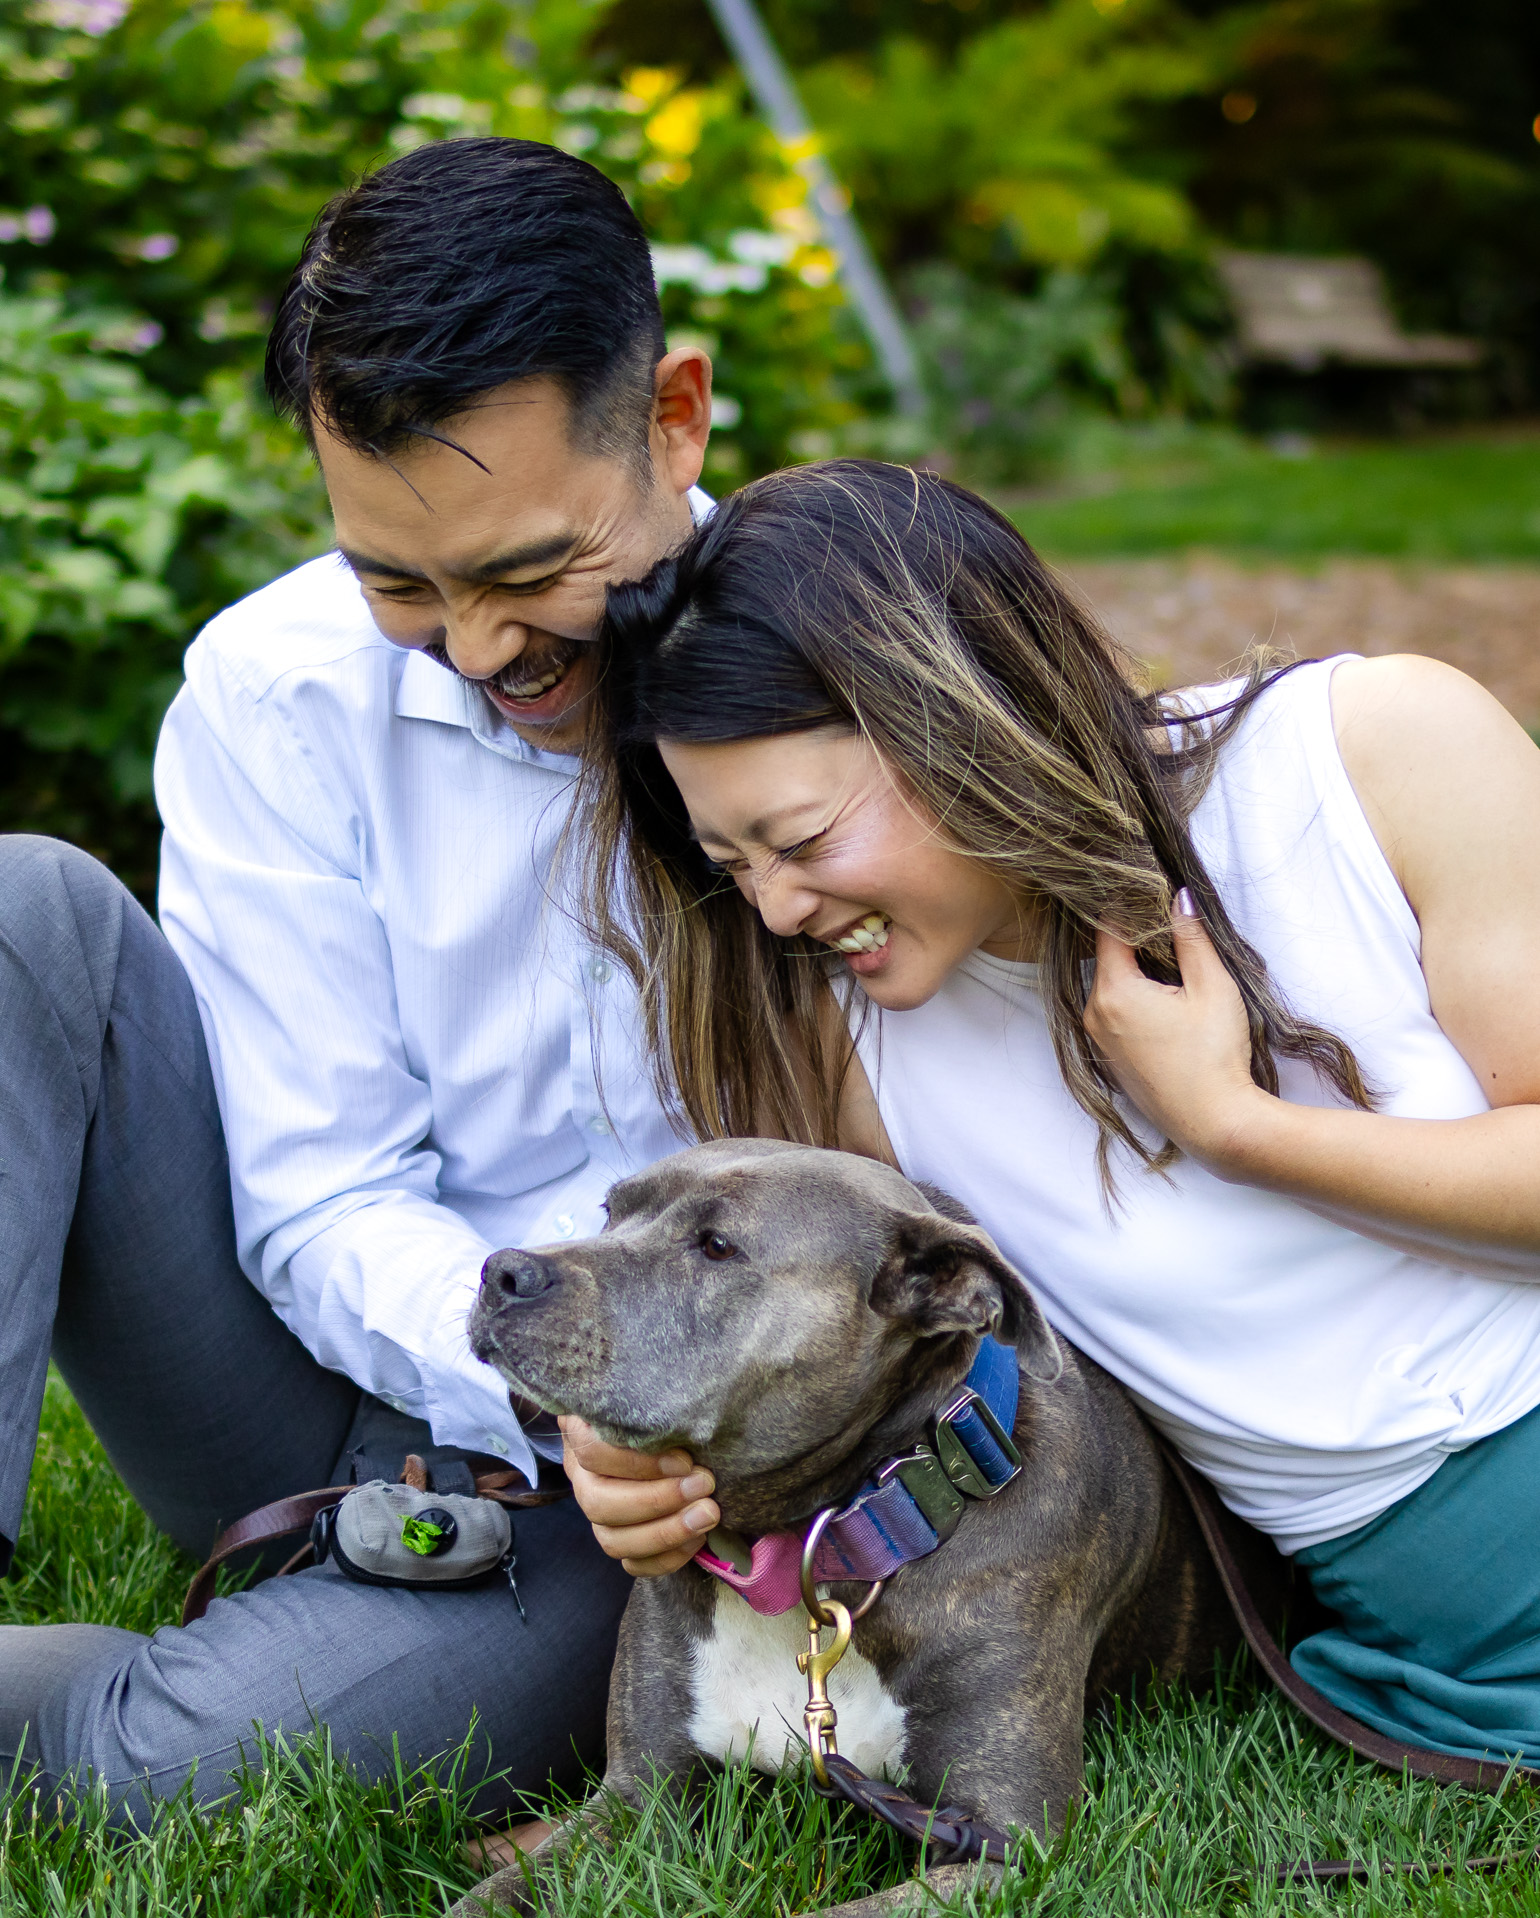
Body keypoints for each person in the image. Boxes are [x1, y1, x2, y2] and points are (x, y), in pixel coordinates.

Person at [564, 456, 1540, 1766]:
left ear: (957, 715)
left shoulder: (1369, 756)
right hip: (1436, 1614)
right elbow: (793, 1348)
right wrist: (619, 1438)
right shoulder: (858, 1051)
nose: (778, 909)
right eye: (731, 864)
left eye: (800, 840)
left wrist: (1242, 1128)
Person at [0, 136, 720, 1829]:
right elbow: (319, 1194)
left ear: (673, 416)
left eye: (532, 568)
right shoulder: (274, 690)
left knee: (169, 1777)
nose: (480, 647)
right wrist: (526, 1363)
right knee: (22, 913)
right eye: (402, 580)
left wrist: (622, 1410)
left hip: (617, 1491)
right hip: (321, 1376)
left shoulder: (831, 664)